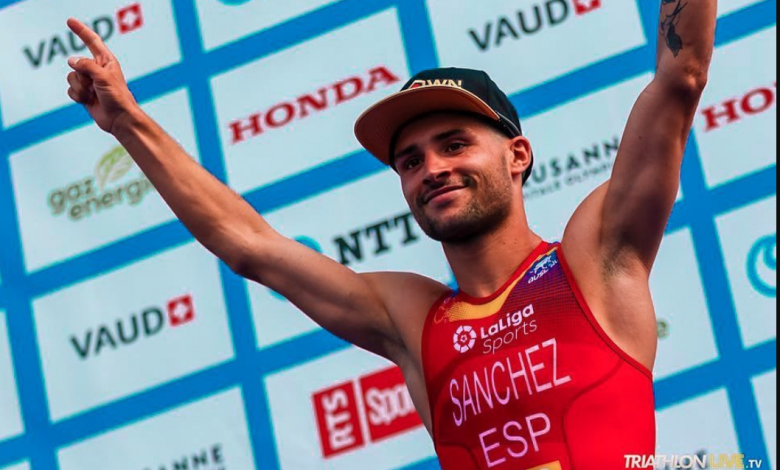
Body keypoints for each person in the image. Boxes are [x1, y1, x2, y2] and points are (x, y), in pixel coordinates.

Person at [64, 0, 716, 467]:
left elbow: (678, 79)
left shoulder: (592, 257)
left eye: (455, 143)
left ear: (517, 155)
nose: (433, 169)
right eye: (410, 161)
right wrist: (126, 121)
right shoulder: (412, 316)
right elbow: (251, 247)